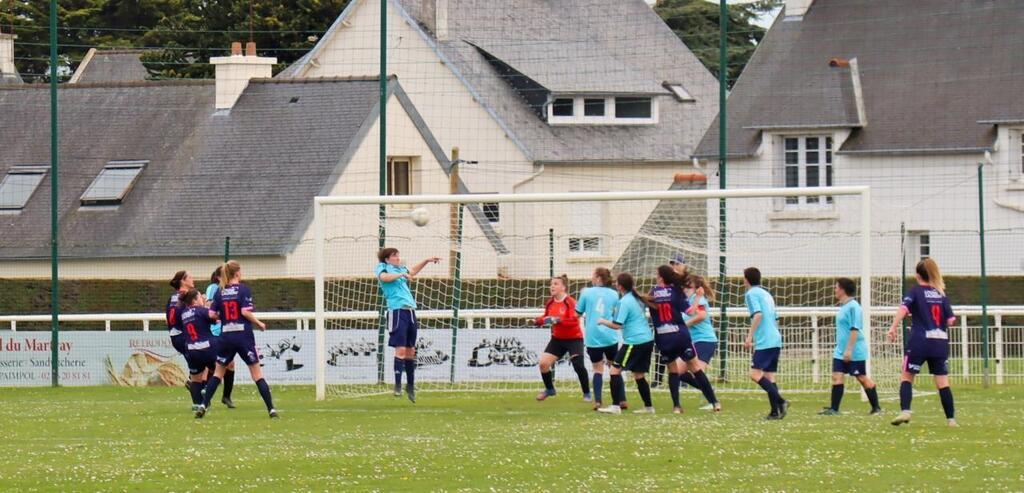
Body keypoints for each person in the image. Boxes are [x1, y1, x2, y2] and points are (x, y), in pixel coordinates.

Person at [196, 260, 277, 419]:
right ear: (238, 273)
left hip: (226, 336)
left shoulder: (220, 292)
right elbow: (245, 312)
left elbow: (212, 314)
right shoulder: (243, 290)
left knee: (218, 373)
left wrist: (223, 316)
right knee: (257, 374)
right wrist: (259, 323)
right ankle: (271, 409)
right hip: (243, 335)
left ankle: (203, 405)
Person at [887, 258, 958, 427]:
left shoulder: (916, 291)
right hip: (939, 343)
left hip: (919, 341)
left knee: (907, 376)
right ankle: (951, 420)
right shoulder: (941, 294)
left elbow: (904, 309)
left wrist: (893, 327)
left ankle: (905, 411)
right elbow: (951, 321)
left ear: (918, 275)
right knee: (942, 382)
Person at [648, 266, 719, 414]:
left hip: (665, 337)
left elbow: (647, 305)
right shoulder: (677, 293)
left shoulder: (653, 293)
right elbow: (690, 312)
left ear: (661, 277)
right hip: (680, 335)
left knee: (674, 370)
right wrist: (698, 298)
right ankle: (714, 401)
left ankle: (677, 406)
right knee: (694, 369)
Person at [376, 247, 440, 403]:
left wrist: (426, 260)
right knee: (401, 349)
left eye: (398, 255)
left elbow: (411, 271)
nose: (398, 257)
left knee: (411, 351)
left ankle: (410, 385)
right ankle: (397, 385)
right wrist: (401, 274)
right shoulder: (383, 267)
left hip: (410, 312)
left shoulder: (401, 269)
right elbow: (384, 278)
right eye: (394, 255)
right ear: (387, 259)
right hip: (397, 312)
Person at [819, 278, 882, 416]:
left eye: (836, 287)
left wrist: (849, 350)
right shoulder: (844, 307)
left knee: (861, 378)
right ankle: (834, 409)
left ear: (842, 289)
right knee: (837, 376)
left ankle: (876, 407)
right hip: (840, 350)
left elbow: (855, 329)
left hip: (854, 350)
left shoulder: (854, 307)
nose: (834, 290)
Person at [596, 273, 656, 415]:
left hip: (635, 341)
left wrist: (603, 321)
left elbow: (617, 325)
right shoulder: (636, 299)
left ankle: (615, 406)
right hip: (647, 339)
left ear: (620, 286)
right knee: (639, 375)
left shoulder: (625, 301)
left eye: (617, 283)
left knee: (614, 370)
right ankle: (649, 407)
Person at [534, 274, 590, 402]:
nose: (552, 286)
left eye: (555, 284)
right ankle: (550, 389)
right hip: (558, 339)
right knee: (543, 364)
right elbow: (546, 317)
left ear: (563, 287)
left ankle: (586, 393)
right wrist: (538, 321)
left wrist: (558, 320)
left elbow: (573, 321)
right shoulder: (550, 303)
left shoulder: (570, 302)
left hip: (574, 338)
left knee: (578, 365)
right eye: (551, 284)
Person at [743, 267, 788, 420]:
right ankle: (775, 411)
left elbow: (758, 315)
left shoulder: (750, 294)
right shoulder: (766, 294)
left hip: (766, 340)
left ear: (746, 279)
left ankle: (781, 401)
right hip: (775, 338)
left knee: (754, 374)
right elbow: (776, 318)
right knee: (769, 377)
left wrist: (749, 337)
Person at [575, 268, 621, 410]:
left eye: (593, 276)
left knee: (597, 369)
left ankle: (598, 401)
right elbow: (618, 315)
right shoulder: (614, 294)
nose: (592, 278)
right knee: (615, 368)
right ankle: (622, 400)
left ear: (599, 278)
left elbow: (577, 313)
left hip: (593, 336)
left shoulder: (587, 292)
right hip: (610, 336)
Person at [682, 275, 722, 411]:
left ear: (696, 289)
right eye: (684, 285)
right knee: (679, 372)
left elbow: (701, 315)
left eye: (689, 286)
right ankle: (709, 391)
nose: (685, 288)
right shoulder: (687, 301)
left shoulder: (698, 299)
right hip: (693, 341)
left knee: (697, 371)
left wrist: (685, 325)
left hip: (705, 340)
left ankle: (713, 402)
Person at [178, 289, 218, 411]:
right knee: (219, 369)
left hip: (191, 350)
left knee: (195, 378)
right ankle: (207, 389)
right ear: (195, 300)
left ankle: (196, 404)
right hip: (206, 347)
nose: (203, 299)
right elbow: (215, 318)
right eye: (201, 297)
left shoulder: (184, 313)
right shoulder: (202, 311)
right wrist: (210, 306)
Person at [205, 266, 236, 409]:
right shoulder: (213, 288)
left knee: (229, 364)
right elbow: (210, 307)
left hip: (226, 330)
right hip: (215, 331)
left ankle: (226, 396)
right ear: (219, 277)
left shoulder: (230, 288)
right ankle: (205, 395)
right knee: (218, 365)